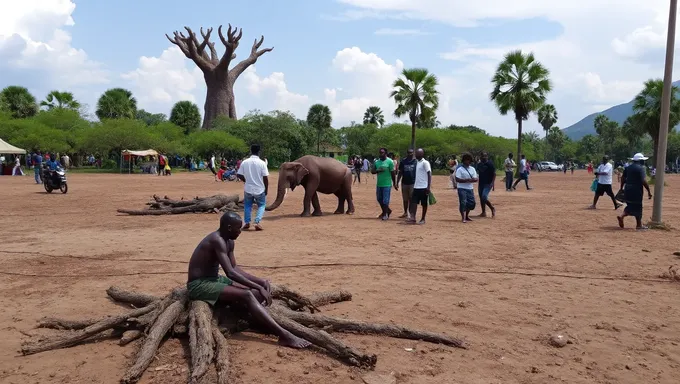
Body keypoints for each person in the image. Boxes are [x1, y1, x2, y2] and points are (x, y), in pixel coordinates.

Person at [186, 212, 311, 348]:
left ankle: (250, 317)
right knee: (247, 294)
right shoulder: (217, 240)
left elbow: (235, 267)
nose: (240, 231)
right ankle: (284, 335)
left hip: (214, 279)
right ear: (229, 228)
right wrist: (258, 286)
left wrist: (261, 282)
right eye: (238, 228)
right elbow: (231, 273)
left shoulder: (229, 241)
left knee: (255, 295)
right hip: (199, 285)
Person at [237, 144, 269, 231]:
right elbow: (265, 177)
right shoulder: (262, 163)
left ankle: (247, 223)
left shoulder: (245, 162)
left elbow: (239, 174)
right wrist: (266, 189)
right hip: (259, 188)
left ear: (251, 151)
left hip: (248, 188)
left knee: (247, 205)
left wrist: (246, 180)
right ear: (259, 151)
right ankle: (257, 222)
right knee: (262, 205)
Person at [617, 153, 652, 230]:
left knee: (630, 205)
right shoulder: (641, 168)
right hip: (636, 190)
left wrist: (621, 188)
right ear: (640, 161)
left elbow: (623, 178)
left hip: (628, 189)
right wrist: (649, 191)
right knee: (638, 206)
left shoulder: (628, 167)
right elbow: (643, 181)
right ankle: (639, 225)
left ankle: (622, 215)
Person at [408, 148, 431, 224]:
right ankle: (413, 217)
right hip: (416, 186)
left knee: (424, 204)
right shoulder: (416, 162)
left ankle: (423, 218)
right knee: (413, 202)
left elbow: (429, 174)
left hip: (423, 187)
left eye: (418, 154)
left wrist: (428, 187)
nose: (416, 155)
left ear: (422, 154)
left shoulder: (425, 163)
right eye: (416, 153)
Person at [374, 148, 396, 220]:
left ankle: (385, 214)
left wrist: (395, 183)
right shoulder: (377, 162)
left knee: (385, 200)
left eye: (382, 153)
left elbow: (393, 173)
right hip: (379, 184)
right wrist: (378, 170)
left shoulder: (390, 161)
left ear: (386, 153)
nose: (380, 154)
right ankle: (387, 211)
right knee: (379, 199)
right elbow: (372, 171)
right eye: (380, 153)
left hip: (387, 184)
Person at [455, 153, 478, 223]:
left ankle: (467, 215)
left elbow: (476, 179)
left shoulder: (472, 169)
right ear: (463, 161)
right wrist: (468, 180)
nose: (468, 161)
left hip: (470, 188)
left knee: (472, 203)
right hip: (461, 188)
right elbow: (457, 179)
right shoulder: (460, 169)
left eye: (469, 160)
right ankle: (463, 217)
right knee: (463, 202)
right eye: (466, 160)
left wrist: (465, 180)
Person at [397, 148, 416, 219]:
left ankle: (411, 213)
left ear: (413, 153)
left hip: (412, 183)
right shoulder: (403, 161)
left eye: (411, 153)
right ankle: (405, 212)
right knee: (405, 199)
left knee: (411, 198)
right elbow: (400, 172)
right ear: (407, 153)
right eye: (408, 153)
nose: (410, 154)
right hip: (404, 183)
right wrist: (397, 182)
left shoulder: (415, 162)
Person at [476, 152, 496, 218]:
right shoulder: (479, 164)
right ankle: (483, 212)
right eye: (482, 156)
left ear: (487, 156)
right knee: (481, 198)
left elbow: (494, 174)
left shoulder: (490, 164)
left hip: (488, 183)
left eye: (485, 156)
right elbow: (477, 172)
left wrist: (492, 183)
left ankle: (492, 208)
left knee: (484, 197)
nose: (483, 157)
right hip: (481, 183)